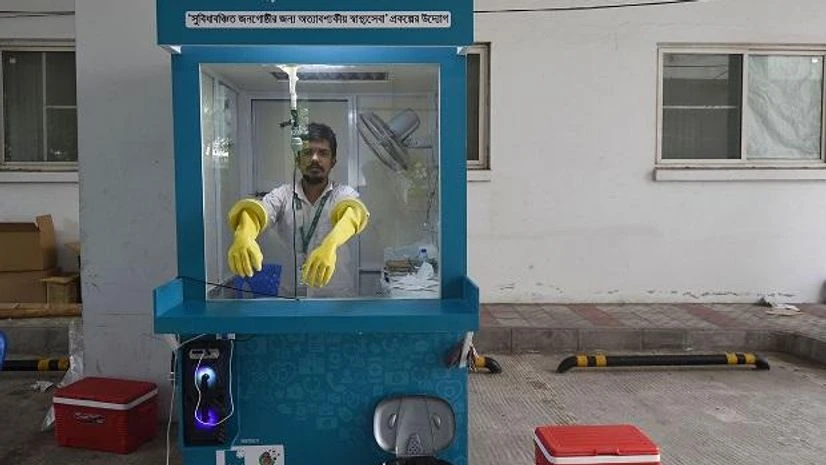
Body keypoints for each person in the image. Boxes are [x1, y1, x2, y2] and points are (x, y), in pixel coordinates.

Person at [226, 122, 369, 297]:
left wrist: (329, 246)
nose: (315, 159)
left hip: (335, 298)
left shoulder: (343, 193)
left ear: (333, 162)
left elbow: (353, 213)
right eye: (308, 152)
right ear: (298, 160)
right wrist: (244, 236)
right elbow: (257, 212)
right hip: (292, 296)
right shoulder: (283, 195)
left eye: (323, 153)